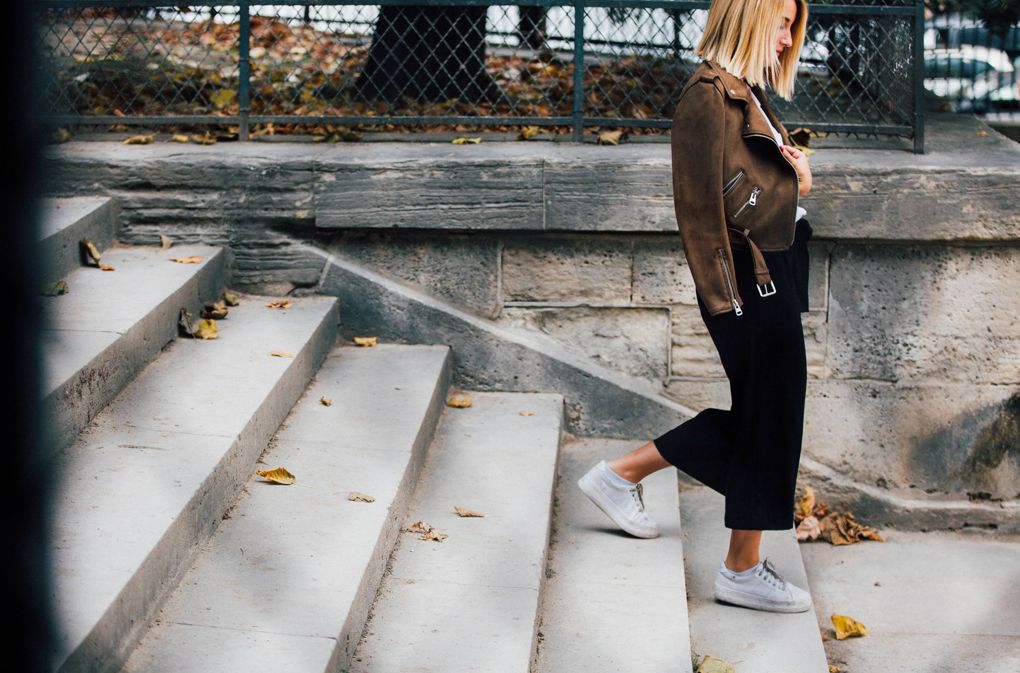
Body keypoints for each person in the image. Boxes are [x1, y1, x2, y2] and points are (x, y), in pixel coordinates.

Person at [577, 0, 815, 614]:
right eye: (780, 21)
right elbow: (700, 215)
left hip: (773, 269)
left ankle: (624, 473)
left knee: (771, 414)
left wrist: (800, 182)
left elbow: (764, 188)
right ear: (747, 15)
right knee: (773, 415)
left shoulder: (744, 90)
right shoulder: (707, 96)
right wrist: (728, 301)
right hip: (747, 281)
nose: (789, 35)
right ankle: (740, 567)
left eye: (793, 22)